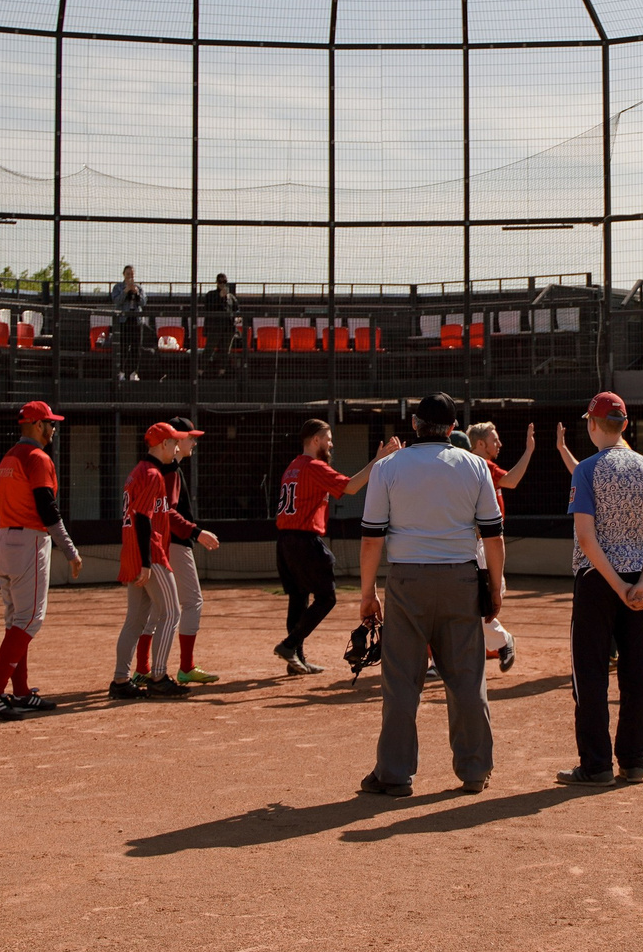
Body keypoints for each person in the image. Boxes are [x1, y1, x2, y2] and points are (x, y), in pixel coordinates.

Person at [356, 393, 503, 796]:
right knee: (468, 678)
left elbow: (372, 539)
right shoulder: (476, 465)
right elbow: (493, 535)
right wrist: (493, 587)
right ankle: (474, 771)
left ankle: (395, 774)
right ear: (453, 429)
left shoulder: (388, 467)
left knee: (402, 681)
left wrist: (367, 593)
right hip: (460, 579)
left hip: (407, 580)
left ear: (416, 425)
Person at [558, 391, 643, 787]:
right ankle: (634, 762)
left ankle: (596, 766)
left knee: (590, 674)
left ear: (593, 424)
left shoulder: (587, 469)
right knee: (638, 673)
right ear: (624, 424)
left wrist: (617, 584)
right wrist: (640, 583)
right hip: (642, 581)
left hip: (597, 582)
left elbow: (587, 539)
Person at [273, 421, 402, 674]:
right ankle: (290, 646)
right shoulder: (313, 466)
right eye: (327, 438)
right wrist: (378, 460)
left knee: (298, 597)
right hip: (304, 540)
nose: (331, 443)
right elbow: (350, 487)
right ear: (315, 440)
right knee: (327, 597)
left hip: (285, 541)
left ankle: (294, 657)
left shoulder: (292, 467)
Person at [0, 400, 83, 715]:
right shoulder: (37, 457)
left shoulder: (9, 457)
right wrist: (69, 549)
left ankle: (22, 692)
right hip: (28, 542)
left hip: (4, 540)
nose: (53, 429)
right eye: (50, 424)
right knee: (29, 621)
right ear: (38, 426)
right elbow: (46, 507)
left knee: (16, 622)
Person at [111, 422, 195, 699]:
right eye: (172, 443)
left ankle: (121, 681)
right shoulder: (152, 474)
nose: (175, 448)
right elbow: (144, 519)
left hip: (132, 552)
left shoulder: (137, 473)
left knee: (134, 621)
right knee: (171, 613)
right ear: (162, 445)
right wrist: (148, 562)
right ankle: (158, 676)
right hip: (150, 553)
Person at [466, 420, 539, 672]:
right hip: (479, 544)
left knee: (481, 604)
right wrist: (528, 451)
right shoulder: (481, 465)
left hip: (484, 544)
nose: (499, 443)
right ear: (480, 444)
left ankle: (497, 642)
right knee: (478, 604)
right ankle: (501, 641)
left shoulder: (481, 466)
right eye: (494, 440)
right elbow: (511, 481)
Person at [158, 418, 223, 684]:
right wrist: (196, 532)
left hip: (159, 542)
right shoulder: (171, 470)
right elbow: (168, 512)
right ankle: (185, 666)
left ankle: (140, 670)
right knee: (192, 602)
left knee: (153, 610)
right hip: (175, 542)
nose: (194, 442)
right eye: (190, 437)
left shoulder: (156, 468)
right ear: (176, 439)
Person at [111, 265, 148, 382]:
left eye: (132, 274)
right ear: (124, 275)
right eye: (128, 274)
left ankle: (133, 372)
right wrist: (126, 291)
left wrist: (136, 293)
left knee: (136, 348)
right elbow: (117, 301)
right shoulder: (118, 287)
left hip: (136, 320)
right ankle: (121, 372)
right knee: (123, 347)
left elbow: (143, 302)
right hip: (124, 320)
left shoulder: (139, 288)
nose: (130, 277)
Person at [204, 273, 243, 369]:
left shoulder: (231, 297)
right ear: (217, 282)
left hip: (228, 328)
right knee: (209, 349)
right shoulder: (211, 294)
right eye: (220, 282)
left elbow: (237, 309)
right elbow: (208, 307)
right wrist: (219, 297)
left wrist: (237, 318)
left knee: (225, 351)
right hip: (215, 328)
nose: (222, 284)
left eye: (224, 282)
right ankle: (201, 370)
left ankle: (222, 371)